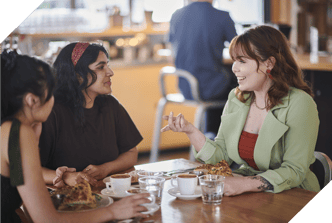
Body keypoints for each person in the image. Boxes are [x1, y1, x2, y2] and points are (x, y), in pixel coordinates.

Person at [161, 25, 320, 196]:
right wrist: (191, 131)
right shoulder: (237, 98)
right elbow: (221, 158)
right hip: (252, 194)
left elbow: (295, 170)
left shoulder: (300, 103)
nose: (234, 68)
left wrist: (245, 183)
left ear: (269, 63)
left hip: (295, 196)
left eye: (242, 61)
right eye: (234, 60)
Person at [0, 50, 151, 223]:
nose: (55, 98)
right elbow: (47, 220)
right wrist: (113, 211)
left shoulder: (10, 130)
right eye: (50, 91)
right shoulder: (18, 134)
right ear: (31, 100)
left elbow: (20, 182)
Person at [38, 42, 143, 187]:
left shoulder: (111, 105)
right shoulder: (51, 112)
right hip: (65, 199)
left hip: (105, 192)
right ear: (77, 74)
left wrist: (105, 168)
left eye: (107, 65)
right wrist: (66, 177)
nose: (110, 72)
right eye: (100, 67)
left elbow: (131, 153)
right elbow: (27, 169)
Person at [168, 0, 237, 138]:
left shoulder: (176, 15)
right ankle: (221, 138)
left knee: (220, 81)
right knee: (243, 84)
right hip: (209, 87)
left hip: (185, 87)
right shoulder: (222, 16)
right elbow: (241, 50)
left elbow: (172, 55)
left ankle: (211, 134)